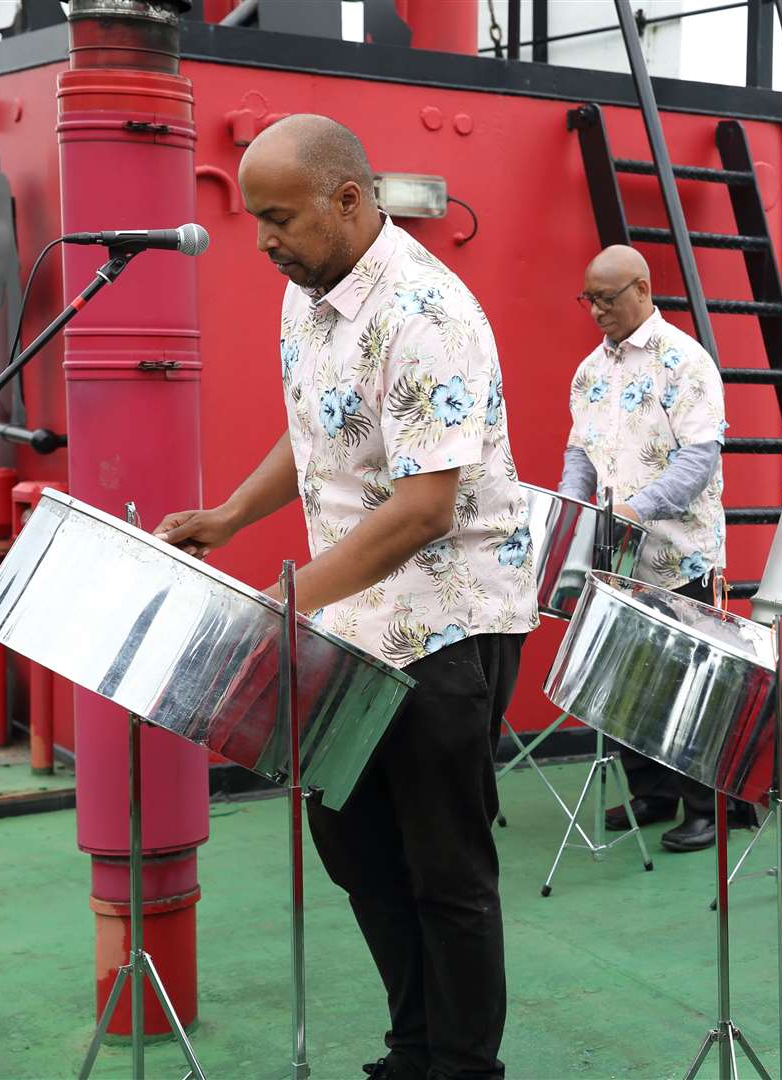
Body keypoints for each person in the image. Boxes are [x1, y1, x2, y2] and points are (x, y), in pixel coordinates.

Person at [155, 114, 536, 1080]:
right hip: (352, 621)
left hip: (447, 620)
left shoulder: (427, 312)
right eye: (257, 221)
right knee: (354, 848)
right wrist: (231, 514)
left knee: (445, 868)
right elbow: (316, 429)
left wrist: (283, 599)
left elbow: (423, 511)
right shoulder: (309, 294)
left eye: (279, 217)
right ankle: (412, 1048)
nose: (264, 240)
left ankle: (461, 1066)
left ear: (350, 200)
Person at [559, 244, 747, 853]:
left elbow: (700, 457)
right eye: (588, 300)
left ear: (642, 289)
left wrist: (637, 510)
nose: (595, 312)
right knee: (626, 679)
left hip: (679, 552)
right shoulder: (590, 370)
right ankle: (651, 790)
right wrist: (573, 509)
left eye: (606, 299)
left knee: (689, 683)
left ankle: (707, 806)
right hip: (618, 553)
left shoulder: (685, 362)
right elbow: (579, 453)